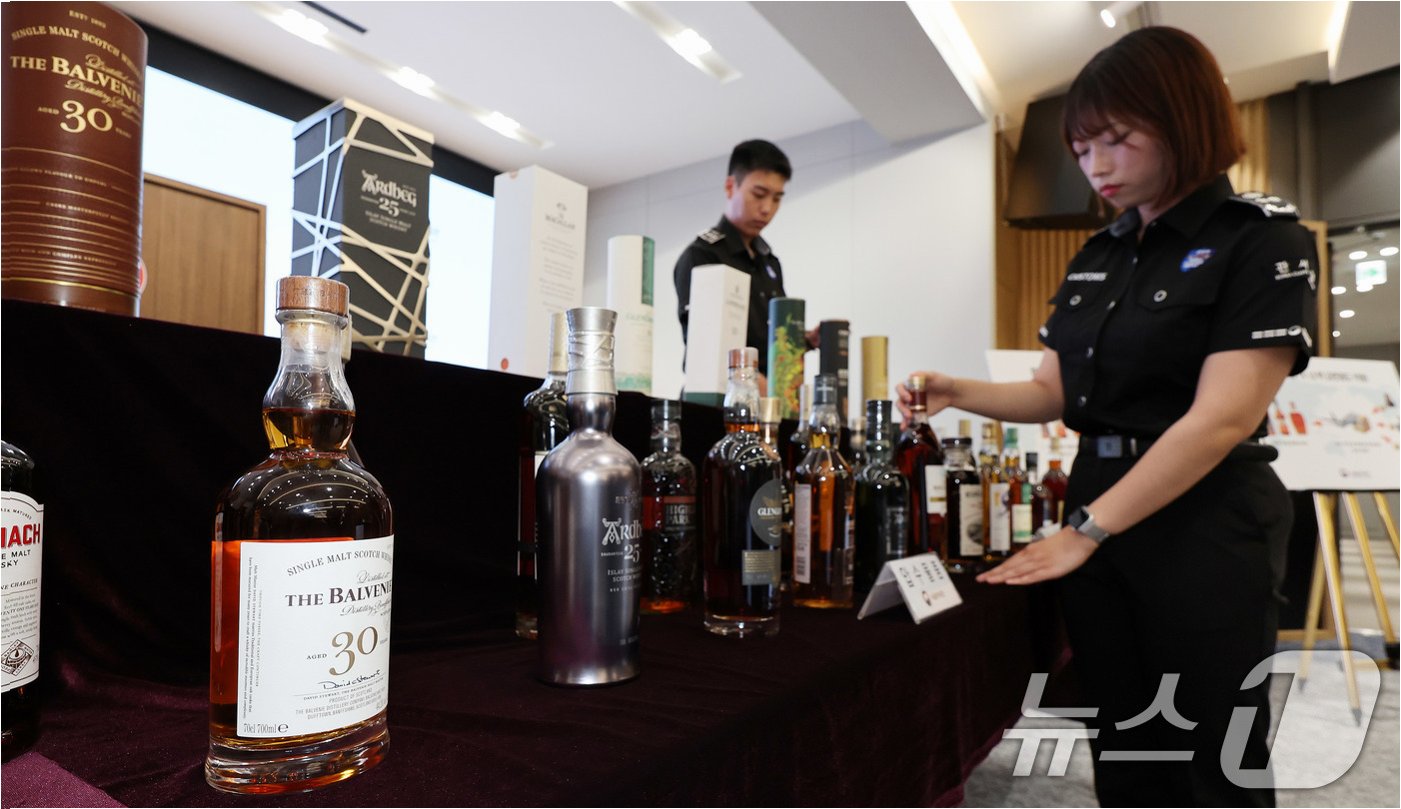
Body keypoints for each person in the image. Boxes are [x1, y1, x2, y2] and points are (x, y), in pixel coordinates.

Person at [897, 27, 1317, 807]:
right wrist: (956, 388)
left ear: (1184, 119)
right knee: (1124, 745)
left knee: (1213, 755)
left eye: (1115, 139)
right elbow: (1050, 393)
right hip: (1096, 498)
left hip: (1203, 516)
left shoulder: (1260, 239)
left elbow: (1220, 419)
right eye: (1082, 147)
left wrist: (1086, 530)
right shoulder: (1099, 252)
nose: (1094, 166)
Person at [673, 139, 814, 383]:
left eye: (777, 198)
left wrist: (804, 341)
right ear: (730, 187)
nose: (767, 208)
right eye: (759, 194)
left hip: (770, 399)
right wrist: (758, 385)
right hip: (721, 400)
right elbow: (705, 348)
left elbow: (767, 341)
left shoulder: (770, 262)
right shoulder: (703, 255)